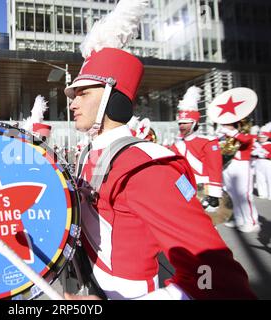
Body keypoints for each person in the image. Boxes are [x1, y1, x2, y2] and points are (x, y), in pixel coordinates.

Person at [63, 0, 255, 300]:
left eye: (82, 93)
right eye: (72, 94)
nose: (72, 102)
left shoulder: (146, 168)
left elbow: (217, 279)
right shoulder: (88, 154)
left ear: (112, 99)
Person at [170, 86, 223, 212]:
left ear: (194, 123)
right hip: (184, 184)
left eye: (185, 123)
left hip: (202, 186)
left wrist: (214, 193)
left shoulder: (208, 142)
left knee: (207, 221)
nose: (181, 126)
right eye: (180, 123)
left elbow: (215, 168)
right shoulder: (177, 143)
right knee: (187, 216)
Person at [217, 120, 261, 233]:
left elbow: (246, 140)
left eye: (228, 124)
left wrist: (231, 133)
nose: (224, 125)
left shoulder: (243, 135)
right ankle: (240, 219)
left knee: (244, 195)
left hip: (241, 165)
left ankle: (252, 222)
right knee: (232, 195)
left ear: (235, 125)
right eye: (224, 123)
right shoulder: (223, 137)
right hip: (227, 167)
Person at [252, 123, 271, 200]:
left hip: (268, 162)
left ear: (267, 137)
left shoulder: (269, 144)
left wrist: (265, 154)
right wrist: (256, 151)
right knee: (260, 179)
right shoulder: (256, 144)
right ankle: (262, 193)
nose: (262, 138)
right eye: (260, 137)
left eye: (264, 137)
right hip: (258, 162)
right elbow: (252, 153)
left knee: (269, 178)